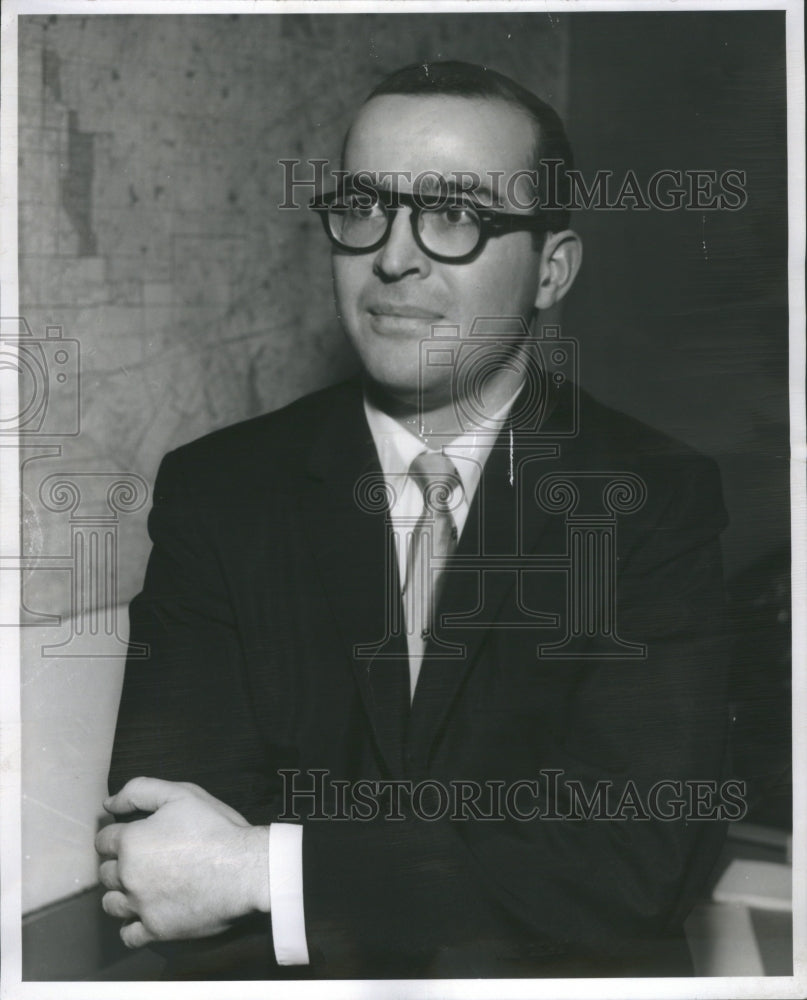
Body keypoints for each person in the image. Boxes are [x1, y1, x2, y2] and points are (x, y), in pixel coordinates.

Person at [97, 61, 732, 980]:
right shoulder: (220, 490)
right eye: (364, 207)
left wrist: (262, 867)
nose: (392, 256)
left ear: (551, 269)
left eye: (457, 216)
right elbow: (163, 847)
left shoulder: (651, 498)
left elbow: (633, 864)